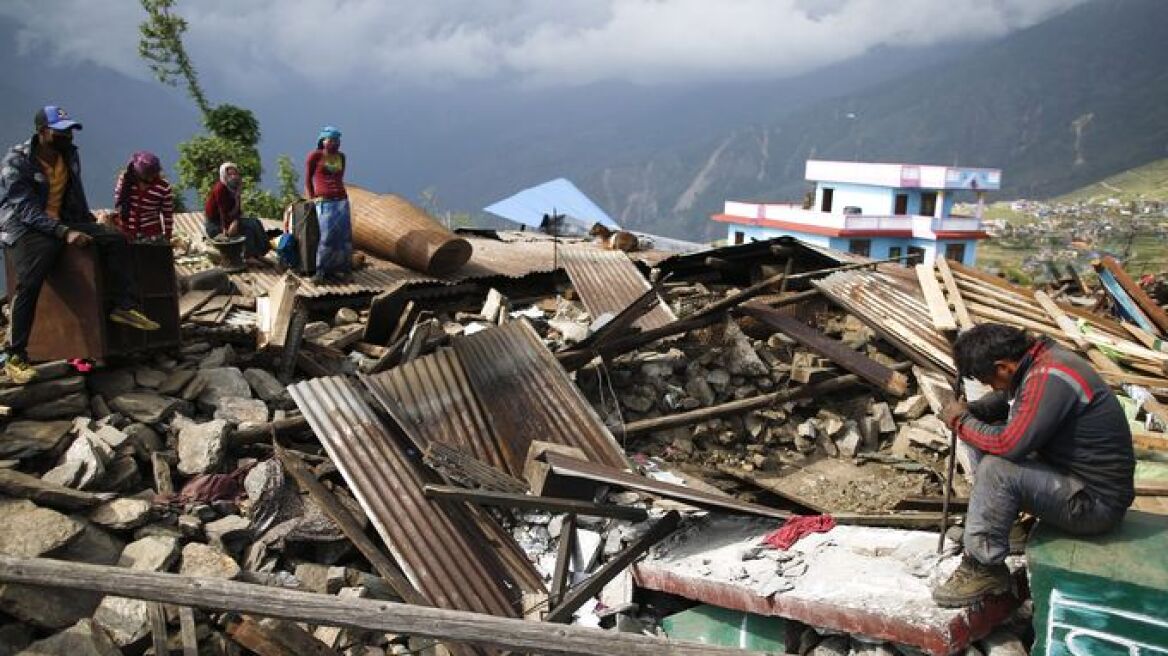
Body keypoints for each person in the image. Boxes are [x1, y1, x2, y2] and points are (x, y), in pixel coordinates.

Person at [931, 323, 1134, 607]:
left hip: (1095, 505)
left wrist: (960, 421)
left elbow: (1009, 445)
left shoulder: (1050, 376)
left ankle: (983, 566)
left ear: (1003, 367)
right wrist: (974, 412)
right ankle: (1005, 526)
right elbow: (1009, 400)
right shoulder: (1043, 360)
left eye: (989, 380)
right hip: (1075, 484)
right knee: (983, 432)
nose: (992, 387)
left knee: (997, 468)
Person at [0, 105, 160, 384]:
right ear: (42, 132)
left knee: (114, 239)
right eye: (61, 132)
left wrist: (89, 223)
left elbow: (74, 193)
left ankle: (123, 306)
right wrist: (63, 233)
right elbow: (24, 209)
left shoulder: (69, 155)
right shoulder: (16, 161)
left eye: (70, 131)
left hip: (62, 221)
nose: (68, 137)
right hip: (25, 228)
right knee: (30, 282)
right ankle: (15, 356)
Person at [304, 125, 351, 283]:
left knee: (343, 238)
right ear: (322, 141)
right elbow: (308, 179)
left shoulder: (341, 157)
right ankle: (321, 272)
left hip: (341, 200)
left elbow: (339, 178)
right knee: (327, 237)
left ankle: (342, 270)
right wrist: (311, 198)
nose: (334, 143)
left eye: (337, 140)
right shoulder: (315, 156)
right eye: (330, 140)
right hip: (324, 201)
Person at [203, 162, 269, 261]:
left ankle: (260, 252)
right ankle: (249, 256)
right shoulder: (220, 188)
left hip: (230, 219)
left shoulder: (234, 187)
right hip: (216, 225)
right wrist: (227, 228)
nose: (233, 176)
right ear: (224, 175)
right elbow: (222, 212)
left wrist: (236, 220)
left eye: (235, 174)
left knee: (255, 222)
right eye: (229, 174)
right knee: (248, 228)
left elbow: (238, 210)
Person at [113, 150, 174, 242]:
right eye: (147, 175)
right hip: (126, 232)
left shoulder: (163, 187)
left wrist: (167, 236)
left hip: (151, 235)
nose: (150, 178)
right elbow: (119, 202)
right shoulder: (126, 181)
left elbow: (168, 214)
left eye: (153, 174)